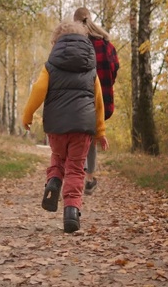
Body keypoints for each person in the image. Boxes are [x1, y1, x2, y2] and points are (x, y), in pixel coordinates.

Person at [23, 20, 109, 233]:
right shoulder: (91, 68)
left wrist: (28, 114)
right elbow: (98, 102)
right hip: (82, 128)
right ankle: (71, 211)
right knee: (76, 168)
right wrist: (101, 131)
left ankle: (53, 180)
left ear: (56, 43)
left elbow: (38, 90)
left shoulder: (50, 66)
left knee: (59, 158)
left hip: (56, 127)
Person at [73, 7, 120, 196]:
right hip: (102, 99)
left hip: (79, 97)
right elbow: (115, 67)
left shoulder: (76, 44)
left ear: (75, 21)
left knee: (78, 135)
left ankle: (78, 175)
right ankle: (89, 177)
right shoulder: (106, 44)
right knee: (91, 136)